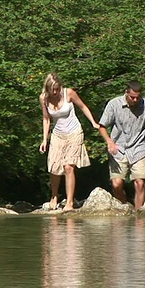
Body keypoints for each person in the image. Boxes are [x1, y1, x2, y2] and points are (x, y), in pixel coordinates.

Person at [98, 80, 145, 210]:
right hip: (118, 147)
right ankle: (124, 208)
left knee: (140, 182)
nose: (135, 100)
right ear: (126, 93)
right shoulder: (114, 104)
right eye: (132, 97)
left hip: (139, 146)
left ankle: (138, 215)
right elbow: (102, 126)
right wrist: (109, 142)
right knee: (117, 184)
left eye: (138, 97)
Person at [39, 73, 100, 211]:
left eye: (57, 89)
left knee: (68, 167)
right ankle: (54, 197)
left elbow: (83, 107)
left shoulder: (69, 93)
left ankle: (70, 202)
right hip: (57, 135)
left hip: (74, 132)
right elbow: (46, 119)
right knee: (54, 168)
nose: (55, 92)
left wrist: (93, 123)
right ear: (47, 89)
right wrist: (44, 140)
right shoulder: (43, 98)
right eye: (52, 90)